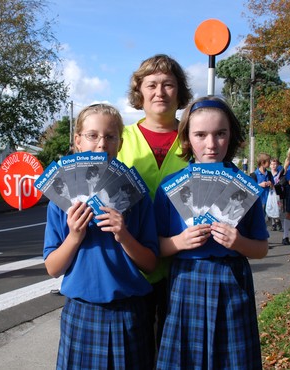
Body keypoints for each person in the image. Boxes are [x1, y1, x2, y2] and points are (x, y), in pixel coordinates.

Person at [154, 97, 268, 369]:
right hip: (186, 281)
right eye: (200, 135)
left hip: (232, 281)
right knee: (187, 361)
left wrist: (238, 242)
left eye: (220, 134)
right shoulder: (170, 186)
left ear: (231, 136)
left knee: (233, 361)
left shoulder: (245, 185)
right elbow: (154, 247)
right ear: (186, 139)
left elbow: (261, 249)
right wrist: (179, 242)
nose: (211, 144)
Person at [44, 103, 159, 369]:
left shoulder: (137, 197)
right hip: (81, 311)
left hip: (129, 312)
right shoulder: (60, 202)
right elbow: (52, 268)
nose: (101, 143)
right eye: (92, 135)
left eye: (110, 136)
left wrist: (124, 234)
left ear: (119, 143)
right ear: (78, 141)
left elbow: (151, 263)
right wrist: (74, 236)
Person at [116, 53, 192, 357]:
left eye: (168, 84)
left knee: (174, 351)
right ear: (140, 92)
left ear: (180, 91)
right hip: (131, 264)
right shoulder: (119, 138)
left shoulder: (195, 139)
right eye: (151, 85)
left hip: (183, 265)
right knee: (136, 352)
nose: (160, 92)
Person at [251, 152, 273, 217]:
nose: (270, 163)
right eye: (268, 162)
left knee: (266, 219)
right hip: (258, 201)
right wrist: (260, 185)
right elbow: (251, 188)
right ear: (263, 163)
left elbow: (273, 186)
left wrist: (270, 184)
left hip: (268, 200)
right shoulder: (254, 175)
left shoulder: (269, 174)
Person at [269, 157, 284, 231]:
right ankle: (273, 223)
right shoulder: (268, 174)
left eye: (275, 164)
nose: (273, 166)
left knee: (277, 208)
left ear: (278, 165)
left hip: (277, 193)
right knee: (271, 207)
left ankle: (278, 221)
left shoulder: (279, 174)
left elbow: (281, 183)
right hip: (270, 193)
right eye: (271, 164)